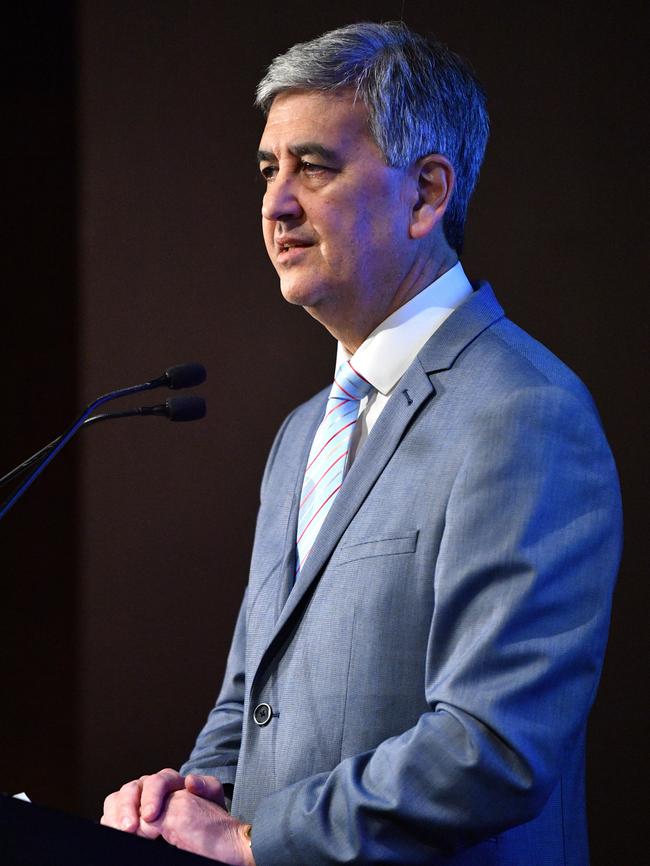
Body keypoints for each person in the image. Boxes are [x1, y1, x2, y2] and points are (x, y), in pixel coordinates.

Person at [101, 21, 621, 866]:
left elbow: (495, 745)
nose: (275, 202)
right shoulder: (305, 430)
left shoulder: (525, 412)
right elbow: (249, 703)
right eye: (269, 169)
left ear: (425, 195)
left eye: (314, 166)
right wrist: (181, 804)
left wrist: (252, 840)